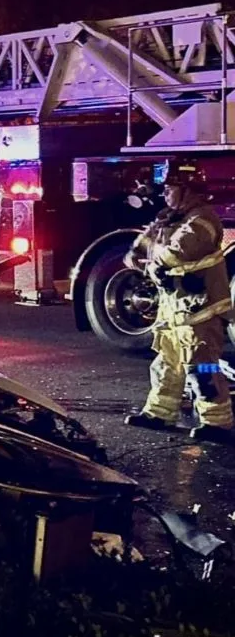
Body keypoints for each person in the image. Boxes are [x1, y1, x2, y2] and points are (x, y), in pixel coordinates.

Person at [124, 161, 233, 441]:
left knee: (203, 367)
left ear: (187, 190)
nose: (166, 194)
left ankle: (217, 423)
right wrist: (137, 253)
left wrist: (153, 259)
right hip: (175, 309)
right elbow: (143, 245)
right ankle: (159, 414)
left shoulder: (203, 220)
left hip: (201, 311)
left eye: (171, 189)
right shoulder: (169, 219)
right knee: (166, 363)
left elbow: (179, 250)